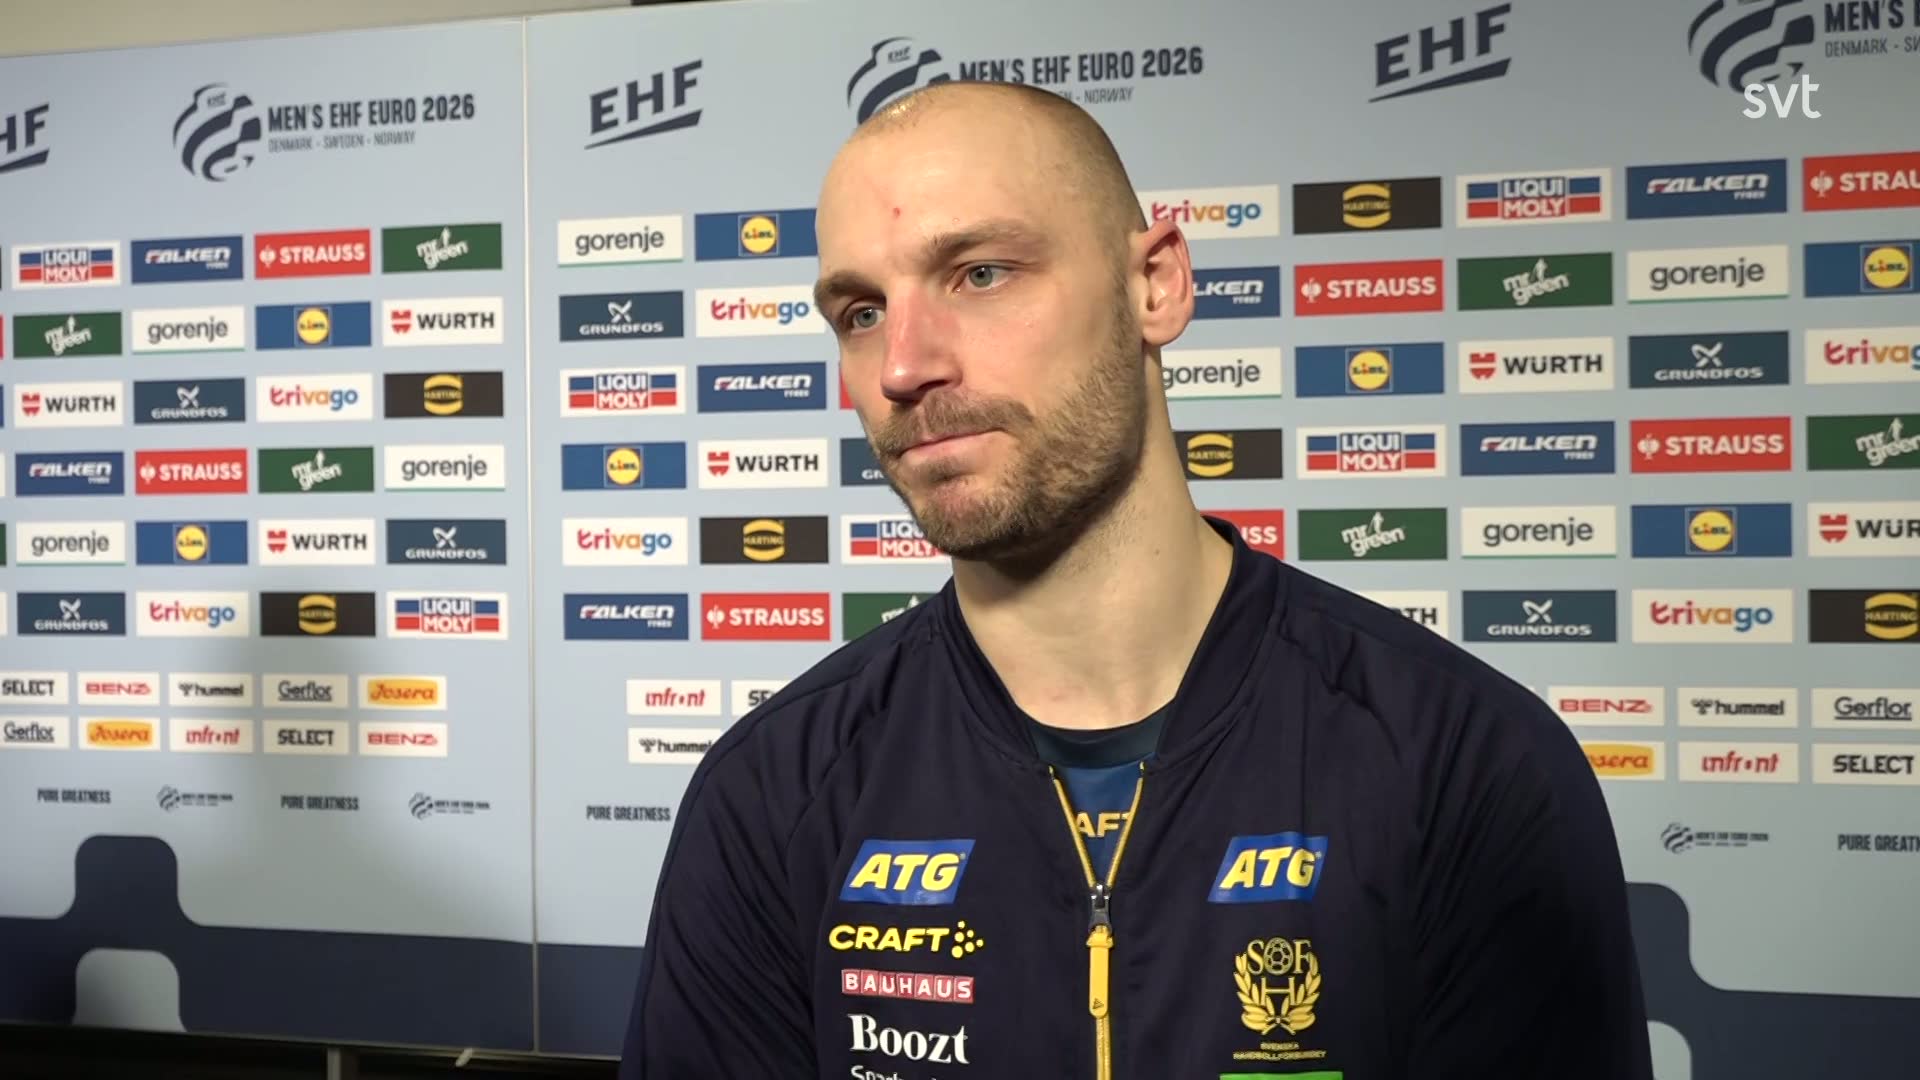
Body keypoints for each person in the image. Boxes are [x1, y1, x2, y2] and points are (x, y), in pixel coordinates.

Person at [618, 80, 1654, 1079]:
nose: (903, 366)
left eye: (980, 273)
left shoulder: (1465, 763)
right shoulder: (771, 797)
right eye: (860, 312)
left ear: (1155, 284)